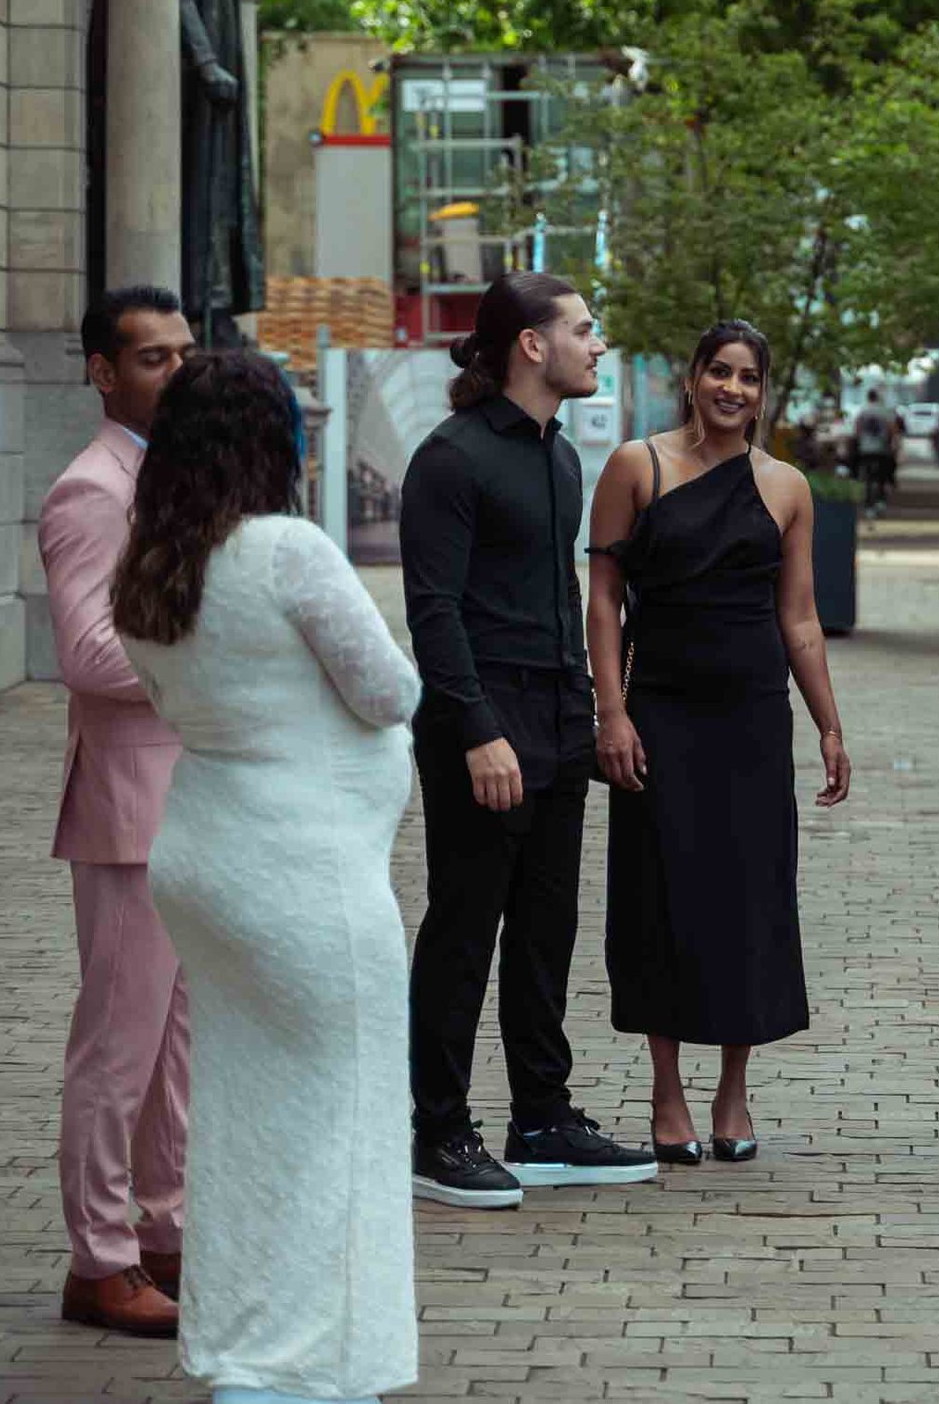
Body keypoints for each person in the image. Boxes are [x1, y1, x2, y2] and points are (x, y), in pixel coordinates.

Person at [112, 350, 420, 1404]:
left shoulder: (150, 565)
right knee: (342, 1118)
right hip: (304, 880)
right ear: (272, 440)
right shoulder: (286, 550)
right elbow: (388, 690)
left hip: (205, 863)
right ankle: (311, 1361)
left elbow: (173, 707)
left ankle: (244, 1343)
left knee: (242, 1122)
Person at [401, 271, 655, 1208]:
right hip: (483, 727)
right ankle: (436, 1132)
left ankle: (542, 1117)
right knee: (465, 930)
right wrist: (476, 732)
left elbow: (557, 605)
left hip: (553, 725)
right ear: (531, 345)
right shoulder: (451, 459)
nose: (598, 344)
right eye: (584, 330)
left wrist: (590, 714)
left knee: (547, 930)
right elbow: (433, 611)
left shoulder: (557, 456)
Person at [588, 320, 852, 1165]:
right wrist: (612, 712)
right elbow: (603, 602)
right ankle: (666, 1092)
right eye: (718, 373)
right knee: (663, 896)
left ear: (761, 390)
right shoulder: (638, 465)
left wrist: (829, 724)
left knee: (748, 900)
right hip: (660, 713)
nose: (731, 389)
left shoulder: (787, 487)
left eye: (746, 377)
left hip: (750, 718)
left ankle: (732, 1091)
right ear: (693, 378)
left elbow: (800, 616)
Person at [42, 285, 195, 1337]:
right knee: (117, 1047)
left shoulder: (170, 478)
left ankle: (165, 1233)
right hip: (130, 799)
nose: (175, 373)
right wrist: (212, 652)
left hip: (188, 801)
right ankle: (99, 1260)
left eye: (184, 354)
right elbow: (90, 655)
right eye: (151, 359)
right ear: (102, 370)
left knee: (176, 1046)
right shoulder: (92, 488)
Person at [854, 389, 895, 516]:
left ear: (868, 397)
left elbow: (857, 428)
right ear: (877, 397)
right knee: (881, 476)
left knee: (867, 478)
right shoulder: (884, 411)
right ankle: (880, 501)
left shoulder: (863, 411)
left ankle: (868, 504)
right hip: (881, 449)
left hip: (866, 448)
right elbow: (892, 429)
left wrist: (860, 441)